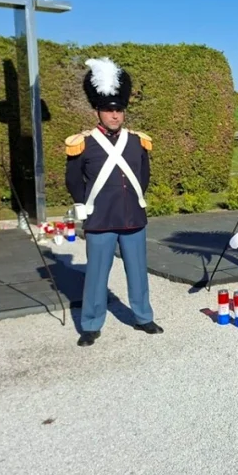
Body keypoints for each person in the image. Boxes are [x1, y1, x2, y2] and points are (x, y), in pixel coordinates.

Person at [64, 57, 162, 347]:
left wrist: (130, 198)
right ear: (98, 111)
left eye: (118, 110)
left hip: (132, 216)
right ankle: (91, 324)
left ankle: (143, 317)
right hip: (100, 218)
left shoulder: (137, 141)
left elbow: (144, 176)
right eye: (109, 110)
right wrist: (86, 204)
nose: (115, 115)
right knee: (96, 275)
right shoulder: (84, 142)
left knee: (138, 272)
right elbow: (73, 180)